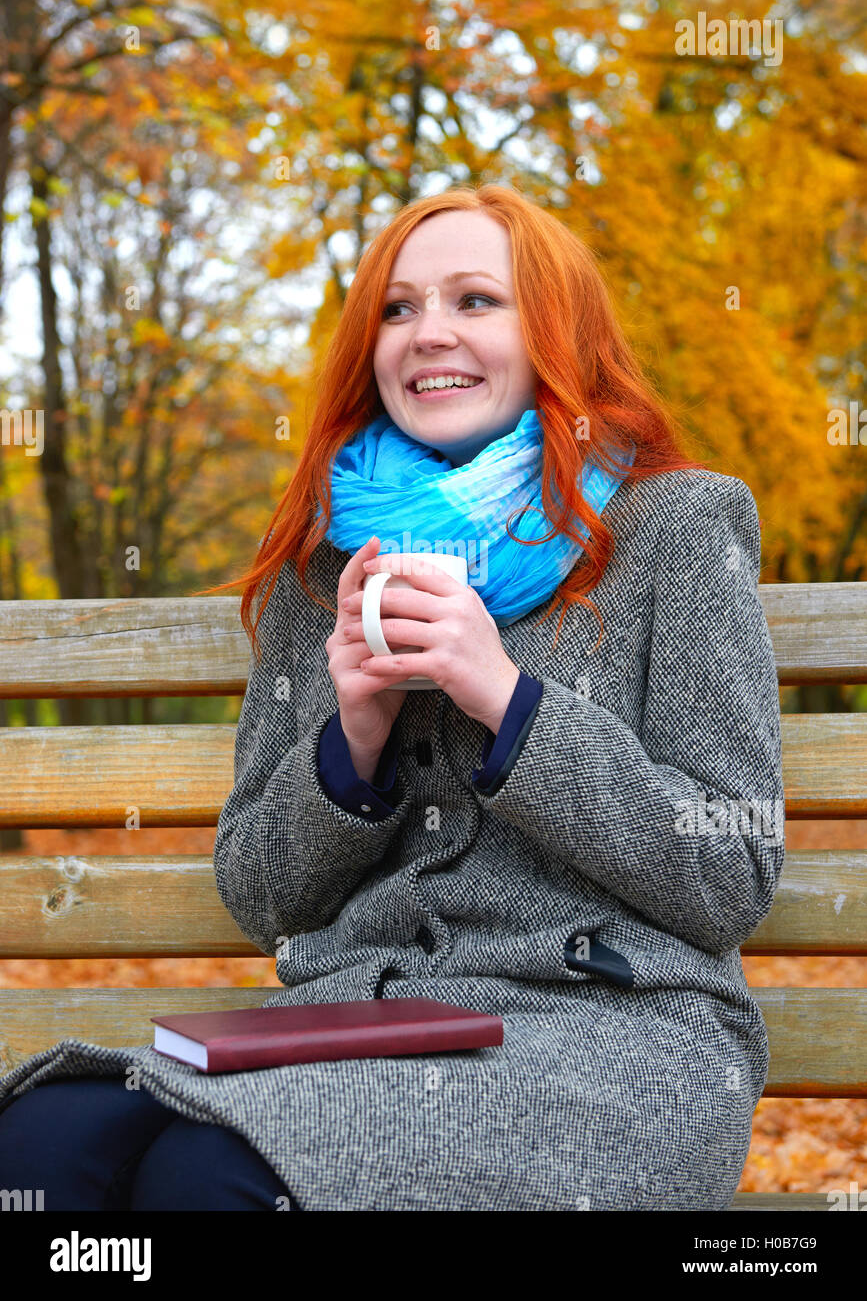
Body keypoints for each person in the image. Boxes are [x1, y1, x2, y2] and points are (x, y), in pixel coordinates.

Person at [0, 183, 785, 1211]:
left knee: (207, 1183)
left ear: (560, 331)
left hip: (606, 1034)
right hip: (355, 1025)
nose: (429, 334)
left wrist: (507, 699)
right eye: (399, 308)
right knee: (41, 1146)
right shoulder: (321, 562)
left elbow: (731, 868)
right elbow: (262, 895)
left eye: (475, 301)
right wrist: (352, 738)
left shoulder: (676, 528)